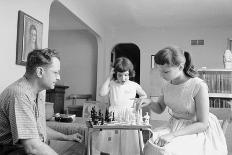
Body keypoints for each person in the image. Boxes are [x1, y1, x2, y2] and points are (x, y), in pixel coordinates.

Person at [139, 46, 227, 155]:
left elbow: (203, 124)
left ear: (180, 67)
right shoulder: (167, 85)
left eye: (166, 72)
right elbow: (160, 108)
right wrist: (150, 102)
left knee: (168, 151)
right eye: (160, 71)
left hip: (196, 129)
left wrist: (173, 135)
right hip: (174, 126)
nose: (161, 75)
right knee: (149, 146)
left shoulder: (198, 85)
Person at [0, 49, 83, 155]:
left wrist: (66, 137)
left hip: (32, 146)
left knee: (78, 147)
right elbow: (32, 147)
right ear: (39, 72)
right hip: (13, 150)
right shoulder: (20, 95)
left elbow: (39, 129)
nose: (58, 77)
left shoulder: (39, 92)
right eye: (55, 72)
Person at [96, 57, 147, 155]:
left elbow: (144, 95)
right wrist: (109, 77)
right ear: (115, 74)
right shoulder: (112, 84)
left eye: (126, 75)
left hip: (129, 115)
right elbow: (102, 93)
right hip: (114, 115)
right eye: (120, 75)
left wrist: (139, 101)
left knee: (129, 142)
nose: (123, 78)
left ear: (130, 73)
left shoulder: (133, 85)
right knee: (110, 140)